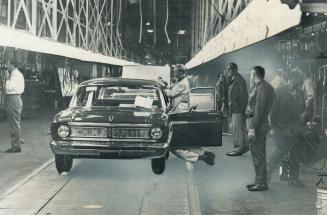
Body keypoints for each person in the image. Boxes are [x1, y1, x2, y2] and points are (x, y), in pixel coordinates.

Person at [165, 64, 215, 165]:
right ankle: (204, 153)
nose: (174, 72)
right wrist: (166, 85)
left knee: (174, 146)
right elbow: (172, 88)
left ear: (181, 72)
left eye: (175, 71)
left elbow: (170, 94)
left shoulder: (182, 83)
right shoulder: (180, 81)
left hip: (179, 112)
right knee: (183, 141)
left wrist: (163, 88)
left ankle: (200, 156)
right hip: (178, 111)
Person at [267, 71, 305, 187]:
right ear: (290, 79)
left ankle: (293, 179)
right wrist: (273, 127)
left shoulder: (300, 93)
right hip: (280, 128)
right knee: (280, 150)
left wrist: (303, 116)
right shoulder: (278, 92)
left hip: (294, 128)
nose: (298, 84)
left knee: (295, 152)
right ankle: (266, 172)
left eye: (300, 81)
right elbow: (272, 111)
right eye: (297, 80)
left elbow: (303, 108)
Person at [246, 66, 274, 191]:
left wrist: (252, 128)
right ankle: (259, 180)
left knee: (258, 154)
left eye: (251, 74)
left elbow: (259, 110)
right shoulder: (262, 86)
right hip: (258, 124)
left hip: (258, 125)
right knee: (256, 153)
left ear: (254, 74)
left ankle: (262, 183)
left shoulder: (262, 88)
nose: (250, 77)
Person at [225, 63, 249, 156]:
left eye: (230, 69)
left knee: (237, 129)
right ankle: (244, 146)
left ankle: (239, 148)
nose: (228, 71)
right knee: (240, 128)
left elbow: (244, 96)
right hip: (236, 108)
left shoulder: (239, 80)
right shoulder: (234, 79)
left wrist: (242, 109)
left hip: (238, 109)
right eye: (228, 70)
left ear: (235, 70)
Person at [3, 60, 25, 153]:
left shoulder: (16, 75)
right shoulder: (14, 74)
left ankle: (16, 146)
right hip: (12, 98)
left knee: (14, 123)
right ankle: (16, 143)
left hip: (13, 98)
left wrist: (7, 79)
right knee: (15, 122)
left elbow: (9, 87)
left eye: (7, 64)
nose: (6, 66)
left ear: (12, 65)